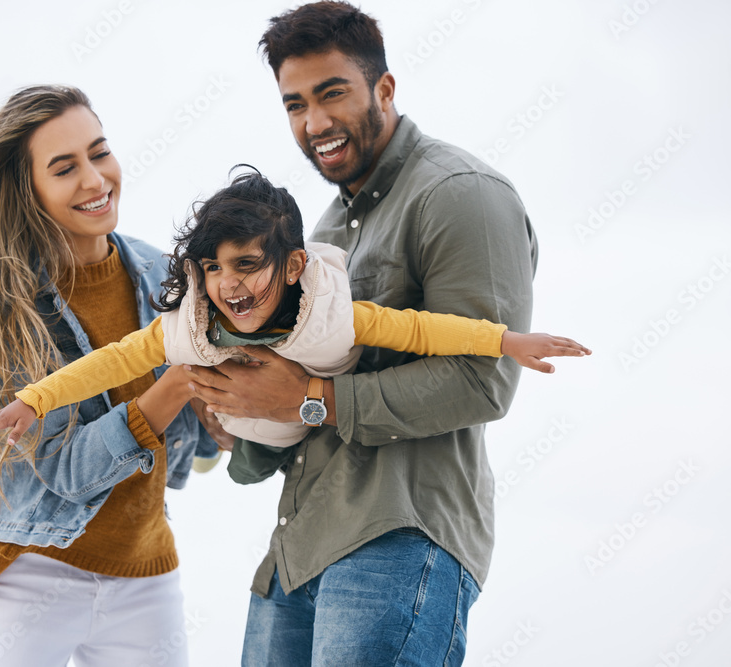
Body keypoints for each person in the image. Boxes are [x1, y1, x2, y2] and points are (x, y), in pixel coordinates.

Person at [183, 3, 556, 664]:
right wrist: (235, 416)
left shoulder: (459, 193)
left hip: (398, 536)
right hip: (294, 556)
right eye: (295, 103)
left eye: (332, 94)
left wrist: (309, 398)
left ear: (384, 89)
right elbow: (286, 406)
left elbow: (483, 379)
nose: (314, 122)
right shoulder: (316, 239)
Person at [0, 168, 588, 450]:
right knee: (238, 447)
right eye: (212, 269)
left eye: (246, 265)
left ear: (291, 267)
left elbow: (421, 329)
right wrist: (33, 399)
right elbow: (109, 361)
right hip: (247, 431)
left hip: (307, 420)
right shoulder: (189, 326)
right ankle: (227, 447)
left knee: (276, 437)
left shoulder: (334, 315)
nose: (228, 286)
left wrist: (507, 342)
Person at [0, 84, 216, 667]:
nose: (94, 179)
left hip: (144, 571)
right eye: (64, 168)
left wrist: (225, 414)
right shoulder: (7, 310)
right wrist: (177, 385)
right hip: (28, 575)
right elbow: (66, 471)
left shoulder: (163, 273)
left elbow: (196, 430)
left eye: (98, 151)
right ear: (29, 192)